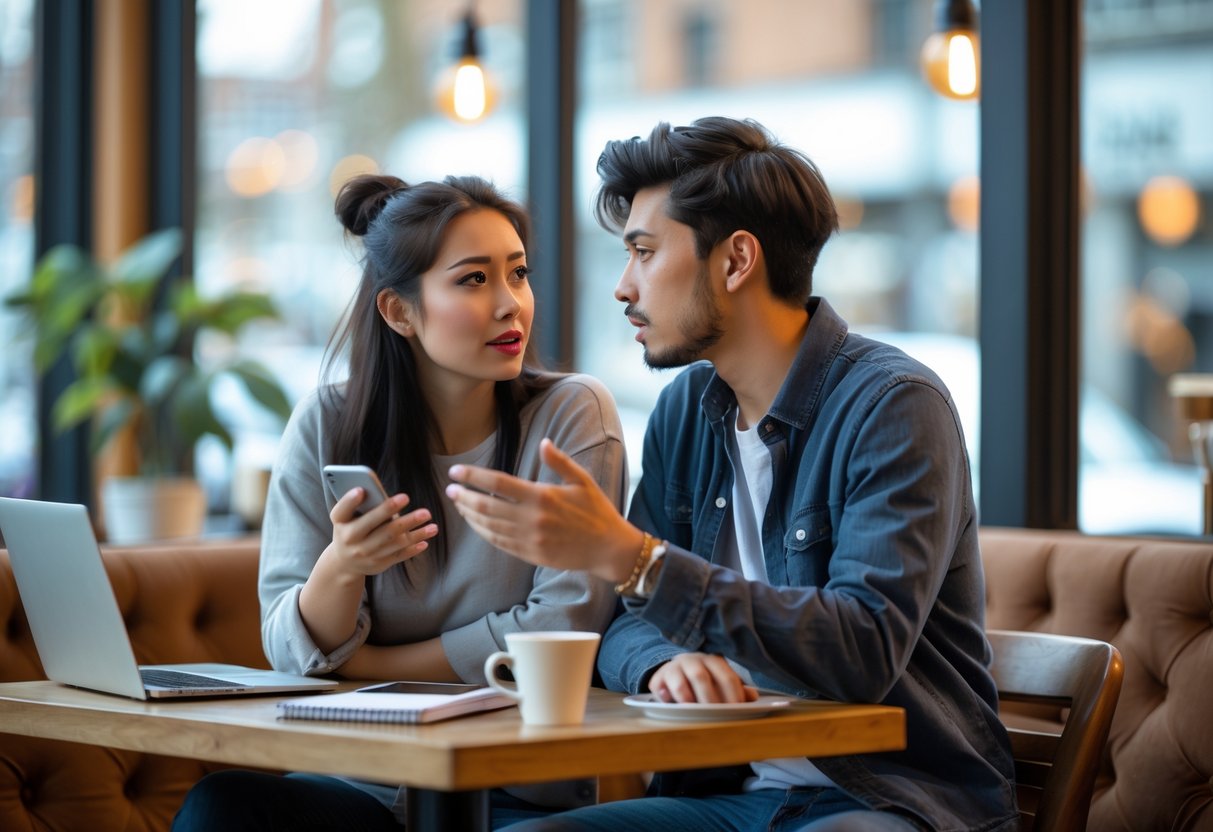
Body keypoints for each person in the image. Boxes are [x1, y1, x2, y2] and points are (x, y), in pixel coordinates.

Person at [446, 117, 1018, 831]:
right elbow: (625, 620)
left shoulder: (894, 405)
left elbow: (862, 649)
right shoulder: (687, 409)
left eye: (645, 253)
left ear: (736, 260)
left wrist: (635, 560)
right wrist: (659, 664)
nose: (624, 287)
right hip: (727, 792)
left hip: (890, 798)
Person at [172, 174, 626, 831]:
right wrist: (342, 567)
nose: (511, 305)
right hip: (361, 781)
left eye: (518, 274)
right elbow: (293, 653)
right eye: (473, 280)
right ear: (399, 311)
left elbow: (561, 625)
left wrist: (370, 667)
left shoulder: (570, 414)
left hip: (513, 791)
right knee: (223, 808)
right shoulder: (328, 422)